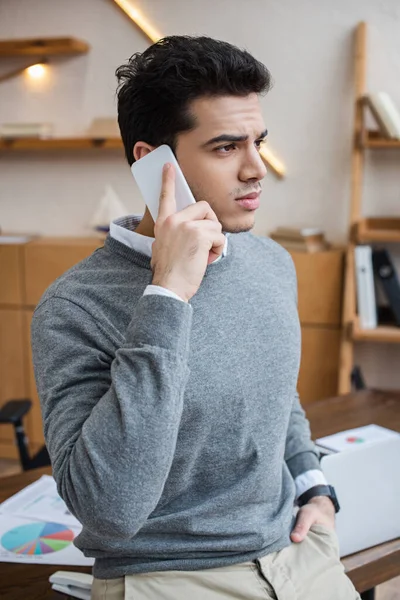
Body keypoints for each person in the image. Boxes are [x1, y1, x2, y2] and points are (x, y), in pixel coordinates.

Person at [31, 36, 360, 600]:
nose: (257, 169)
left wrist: (315, 487)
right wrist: (167, 296)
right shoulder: (73, 307)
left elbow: (279, 397)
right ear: (152, 162)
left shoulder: (272, 263)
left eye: (258, 141)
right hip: (167, 577)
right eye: (226, 147)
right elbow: (110, 509)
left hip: (300, 557)